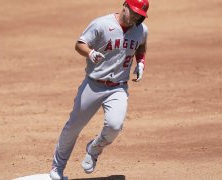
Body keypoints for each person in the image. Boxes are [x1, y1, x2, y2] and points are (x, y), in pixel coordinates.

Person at [49, 0, 149, 179]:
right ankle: (57, 168)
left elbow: (141, 44)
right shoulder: (102, 24)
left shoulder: (141, 29)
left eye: (139, 16)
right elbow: (80, 43)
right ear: (124, 5)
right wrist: (90, 53)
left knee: (114, 126)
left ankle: (94, 149)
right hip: (93, 85)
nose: (135, 18)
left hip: (118, 88)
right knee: (73, 127)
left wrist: (141, 61)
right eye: (133, 12)